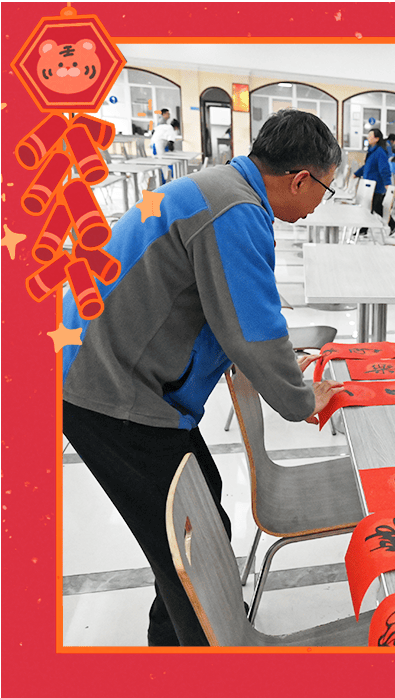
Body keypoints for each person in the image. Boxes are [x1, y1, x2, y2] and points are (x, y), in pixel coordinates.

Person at [61, 109, 348, 646]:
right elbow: (252, 330)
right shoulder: (235, 209)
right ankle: (197, 652)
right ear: (300, 179)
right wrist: (300, 398)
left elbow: (222, 305)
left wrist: (275, 363)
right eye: (325, 190)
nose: (318, 204)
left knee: (198, 512)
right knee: (188, 542)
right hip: (109, 389)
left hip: (111, 369)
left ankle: (177, 635)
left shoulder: (221, 186)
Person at [354, 127, 395, 233]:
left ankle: (391, 225)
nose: (368, 137)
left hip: (376, 186)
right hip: (369, 185)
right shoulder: (371, 151)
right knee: (373, 208)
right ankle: (366, 229)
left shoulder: (380, 152)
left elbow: (384, 169)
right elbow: (366, 166)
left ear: (377, 139)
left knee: (373, 208)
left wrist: (387, 183)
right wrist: (356, 174)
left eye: (370, 136)